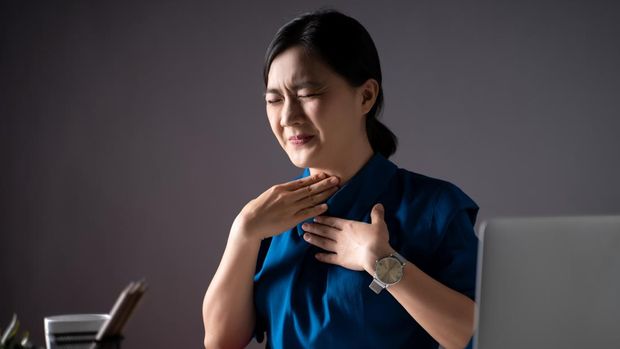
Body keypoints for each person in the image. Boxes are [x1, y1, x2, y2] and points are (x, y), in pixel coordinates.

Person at [202, 8, 479, 349]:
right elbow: (221, 341)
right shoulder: (269, 218)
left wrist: (383, 263)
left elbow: (479, 334)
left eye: (307, 95)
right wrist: (243, 233)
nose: (287, 116)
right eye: (274, 100)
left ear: (366, 95)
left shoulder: (434, 207)